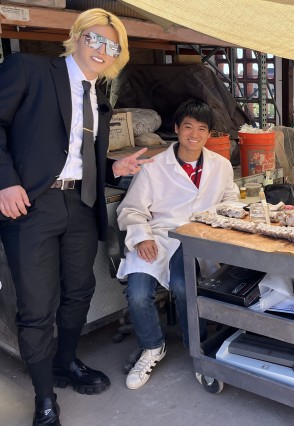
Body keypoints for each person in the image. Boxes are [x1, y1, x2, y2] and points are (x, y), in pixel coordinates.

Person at [0, 8, 153, 426]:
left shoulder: (99, 97)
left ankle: (64, 363)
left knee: (79, 292)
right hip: (32, 204)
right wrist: (4, 181)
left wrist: (112, 170)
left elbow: (78, 159)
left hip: (80, 204)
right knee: (36, 306)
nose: (102, 49)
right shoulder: (28, 69)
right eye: (96, 39)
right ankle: (44, 396)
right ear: (77, 37)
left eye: (112, 45)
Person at [116, 99, 239, 390]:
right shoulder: (154, 165)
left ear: (209, 135)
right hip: (158, 236)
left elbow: (231, 201)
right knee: (137, 292)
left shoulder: (221, 166)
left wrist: (229, 218)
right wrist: (142, 236)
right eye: (188, 127)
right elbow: (131, 209)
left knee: (186, 288)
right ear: (176, 129)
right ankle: (152, 347)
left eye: (201, 129)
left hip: (197, 237)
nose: (194, 134)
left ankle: (198, 351)